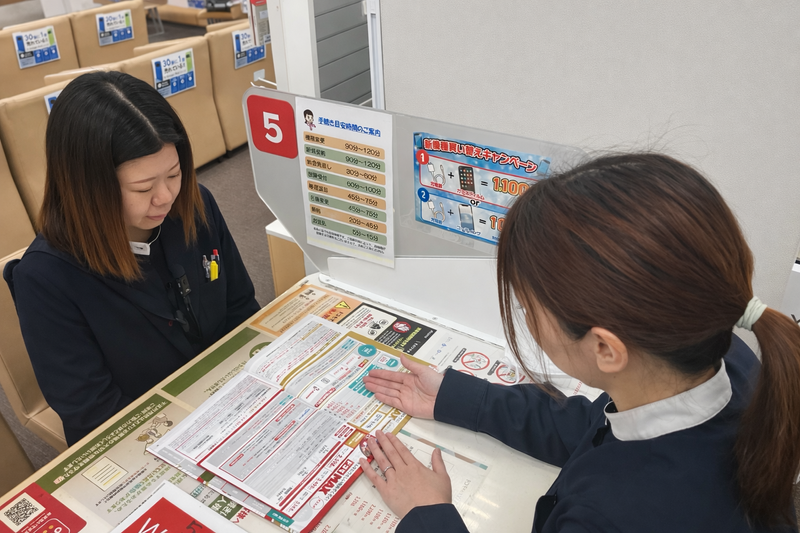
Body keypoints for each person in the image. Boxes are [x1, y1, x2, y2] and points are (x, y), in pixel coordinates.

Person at [360, 153, 800, 532]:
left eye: (529, 308)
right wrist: (460, 398)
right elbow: (594, 429)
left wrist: (427, 513)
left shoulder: (610, 516)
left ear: (606, 349)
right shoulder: (724, 359)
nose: (527, 319)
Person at [3, 71, 261, 445]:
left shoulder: (194, 204)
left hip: (226, 400)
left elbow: (241, 309)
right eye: (142, 188)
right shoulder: (46, 278)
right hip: (146, 434)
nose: (165, 197)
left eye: (173, 174)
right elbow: (94, 413)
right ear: (87, 188)